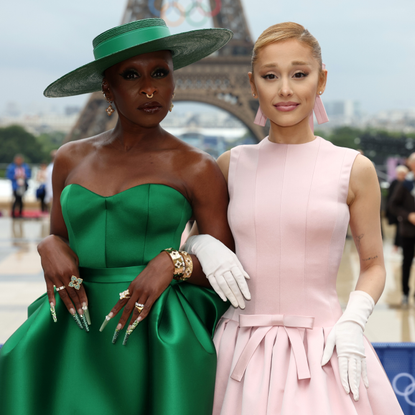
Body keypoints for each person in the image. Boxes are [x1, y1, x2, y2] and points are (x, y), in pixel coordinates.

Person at [0, 18, 250, 415]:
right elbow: (60, 239)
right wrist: (48, 245)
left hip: (153, 331)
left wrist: (173, 262)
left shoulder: (196, 167)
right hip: (72, 329)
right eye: (130, 75)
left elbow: (226, 272)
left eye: (160, 73)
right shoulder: (69, 158)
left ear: (174, 81)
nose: (149, 88)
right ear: (107, 88)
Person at [202, 22, 403, 414]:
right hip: (235, 350)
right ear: (251, 83)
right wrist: (200, 243)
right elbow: (189, 243)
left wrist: (353, 321)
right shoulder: (230, 165)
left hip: (325, 348)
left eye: (299, 74)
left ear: (322, 78)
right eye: (270, 76)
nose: (285, 90)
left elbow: (375, 265)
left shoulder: (353, 168)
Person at [389, 154, 415, 307]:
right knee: (407, 262)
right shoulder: (405, 184)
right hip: (409, 231)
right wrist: (408, 215)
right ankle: (405, 293)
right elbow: (393, 205)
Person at [386, 164, 408, 251]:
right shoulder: (394, 183)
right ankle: (396, 245)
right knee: (398, 228)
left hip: (405, 211)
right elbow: (390, 198)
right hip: (396, 210)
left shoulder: (406, 184)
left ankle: (401, 245)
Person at [6, 154, 31, 218]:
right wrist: (15, 177)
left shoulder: (25, 166)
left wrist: (24, 176)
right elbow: (8, 175)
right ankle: (14, 214)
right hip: (15, 186)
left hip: (23, 186)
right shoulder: (11, 167)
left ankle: (20, 213)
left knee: (21, 199)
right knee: (16, 199)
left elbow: (29, 174)